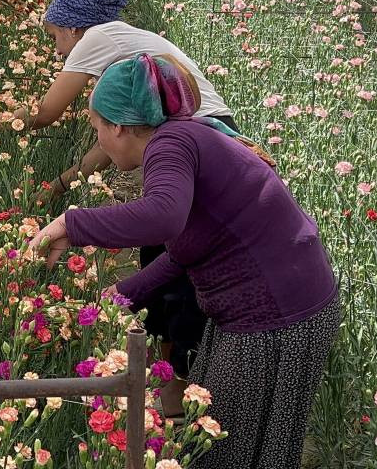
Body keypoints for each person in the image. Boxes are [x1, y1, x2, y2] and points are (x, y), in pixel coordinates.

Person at [28, 54, 339, 469]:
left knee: (225, 446)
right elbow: (187, 247)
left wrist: (72, 222)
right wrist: (123, 293)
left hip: (276, 315)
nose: (99, 141)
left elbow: (163, 215)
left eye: (97, 128)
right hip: (282, 304)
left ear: (119, 126)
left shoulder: (171, 144)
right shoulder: (188, 137)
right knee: (220, 434)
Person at [0, 0, 234, 413]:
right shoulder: (129, 42)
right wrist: (62, 182)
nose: (57, 49)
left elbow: (47, 112)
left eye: (55, 36)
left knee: (179, 254)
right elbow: (112, 141)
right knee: (168, 251)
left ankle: (179, 385)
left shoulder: (97, 37)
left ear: (74, 26)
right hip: (212, 133)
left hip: (201, 136)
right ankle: (168, 370)